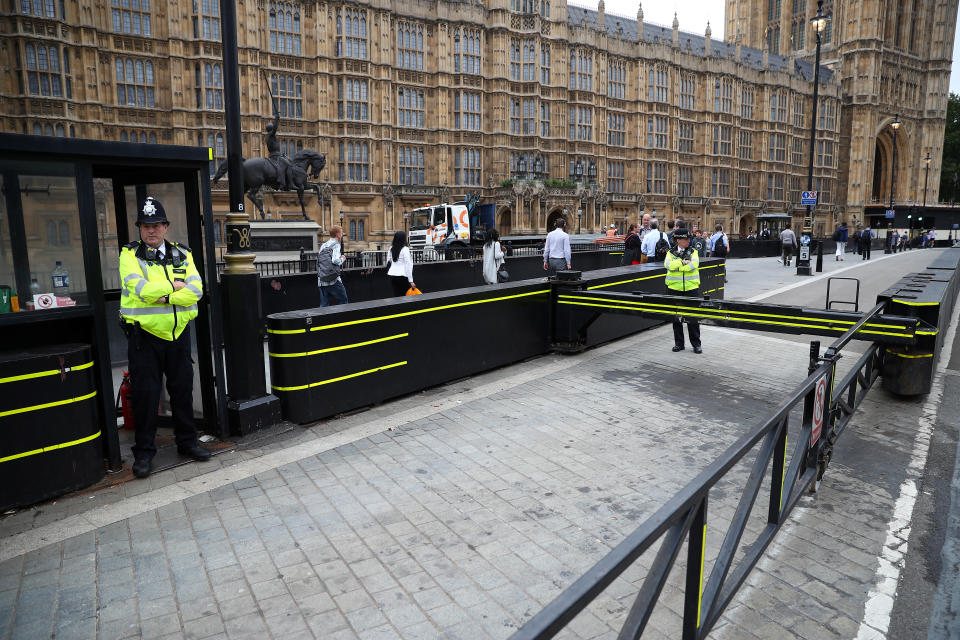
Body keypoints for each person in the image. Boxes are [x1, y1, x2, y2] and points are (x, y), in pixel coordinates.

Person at [119, 197, 211, 479]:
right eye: (146, 226)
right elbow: (138, 288)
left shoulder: (183, 254)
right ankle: (144, 453)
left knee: (182, 391)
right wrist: (173, 287)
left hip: (178, 334)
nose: (151, 230)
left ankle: (187, 442)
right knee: (146, 396)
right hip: (144, 337)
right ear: (140, 229)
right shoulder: (129, 255)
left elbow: (196, 289)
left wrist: (164, 295)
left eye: (156, 225)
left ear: (165, 226)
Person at [665, 227, 702, 354]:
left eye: (689, 238)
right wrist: (682, 263)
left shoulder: (693, 251)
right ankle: (679, 344)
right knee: (676, 318)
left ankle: (696, 344)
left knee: (693, 318)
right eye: (686, 239)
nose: (688, 241)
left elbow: (694, 265)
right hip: (674, 289)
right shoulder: (670, 252)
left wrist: (678, 267)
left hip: (691, 289)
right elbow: (668, 265)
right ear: (678, 240)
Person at [317, 225, 348, 306]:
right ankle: (340, 318)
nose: (342, 234)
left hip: (322, 280)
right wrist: (343, 258)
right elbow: (335, 261)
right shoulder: (336, 245)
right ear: (337, 234)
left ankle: (322, 319)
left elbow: (319, 261)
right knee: (343, 301)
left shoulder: (324, 245)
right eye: (341, 233)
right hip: (333, 280)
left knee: (324, 305)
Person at [386, 231, 416, 296]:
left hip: (392, 274)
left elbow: (388, 261)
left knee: (396, 294)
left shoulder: (391, 248)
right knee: (404, 295)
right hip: (402, 275)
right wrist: (411, 281)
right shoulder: (405, 249)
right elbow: (408, 265)